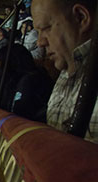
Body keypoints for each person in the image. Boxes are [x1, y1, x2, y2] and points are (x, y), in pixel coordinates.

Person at [32, 0, 98, 141]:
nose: (40, 42)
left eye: (46, 28)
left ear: (81, 18)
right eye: (37, 32)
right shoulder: (66, 68)